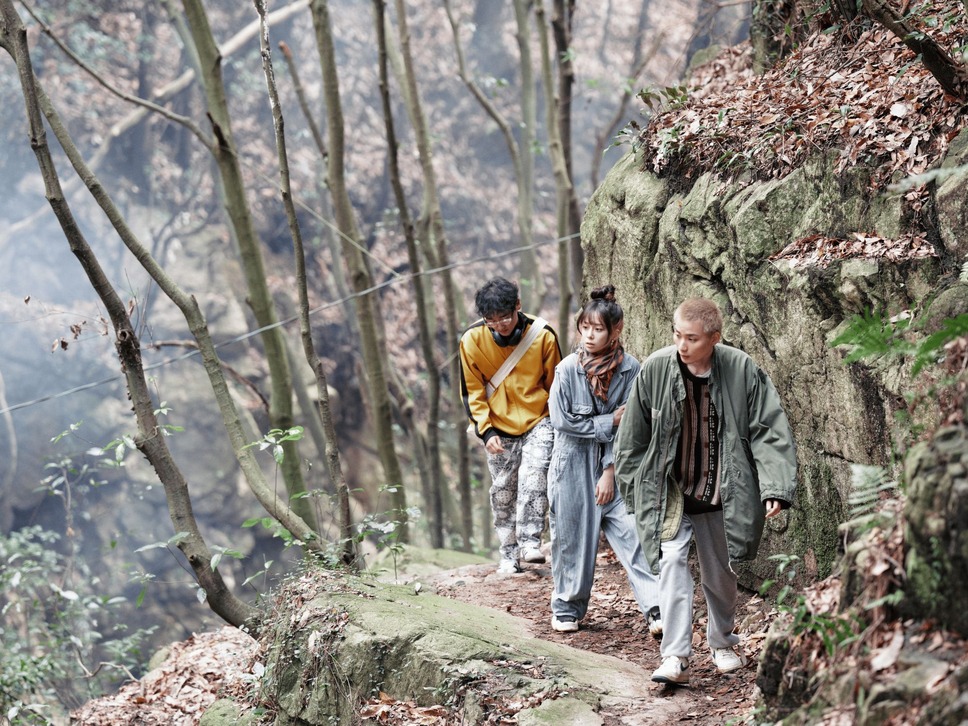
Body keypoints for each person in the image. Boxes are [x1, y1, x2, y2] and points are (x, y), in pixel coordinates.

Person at [614, 297, 797, 686]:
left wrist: (775, 486)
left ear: (714, 338)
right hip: (672, 492)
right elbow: (632, 439)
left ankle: (722, 642)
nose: (682, 345)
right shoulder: (656, 370)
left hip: (721, 492)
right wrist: (634, 492)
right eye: (678, 335)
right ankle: (675, 656)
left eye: (692, 338)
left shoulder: (741, 369)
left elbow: (769, 429)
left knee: (721, 574)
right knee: (673, 564)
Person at [547, 285, 662, 636]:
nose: (590, 336)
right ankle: (568, 607)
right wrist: (607, 421)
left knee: (634, 534)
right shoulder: (567, 370)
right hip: (571, 462)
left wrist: (610, 470)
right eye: (585, 328)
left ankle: (656, 607)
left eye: (598, 329)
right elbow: (561, 420)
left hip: (617, 464)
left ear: (617, 330)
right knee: (572, 538)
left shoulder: (632, 370)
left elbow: (633, 423)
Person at [459, 277, 562, 574]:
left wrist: (557, 423)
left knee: (535, 475)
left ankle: (531, 541)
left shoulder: (542, 336)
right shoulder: (471, 341)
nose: (500, 325)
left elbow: (554, 385)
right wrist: (486, 431)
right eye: (491, 321)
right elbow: (472, 392)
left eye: (505, 317)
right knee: (503, 491)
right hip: (497, 426)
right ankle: (508, 553)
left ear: (518, 306)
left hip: (538, 419)